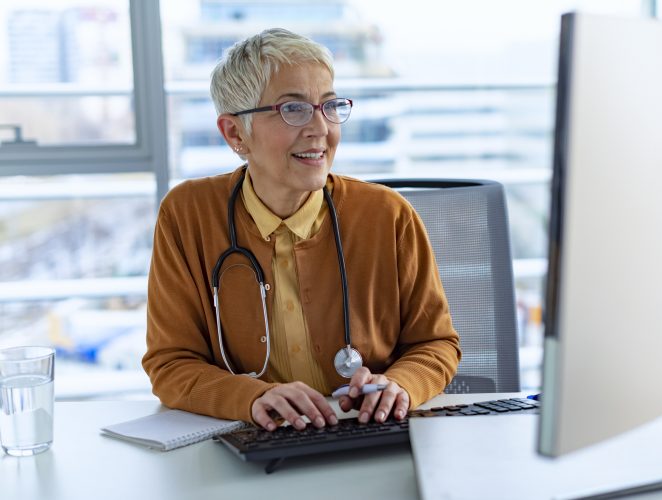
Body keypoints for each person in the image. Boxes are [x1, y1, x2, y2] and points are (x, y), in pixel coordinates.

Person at [142, 28, 461, 432]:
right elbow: (170, 364)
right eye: (293, 109)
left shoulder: (387, 215)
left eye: (329, 106)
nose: (320, 129)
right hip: (258, 438)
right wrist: (251, 397)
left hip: (370, 433)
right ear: (235, 133)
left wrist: (400, 384)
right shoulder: (187, 216)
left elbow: (435, 344)